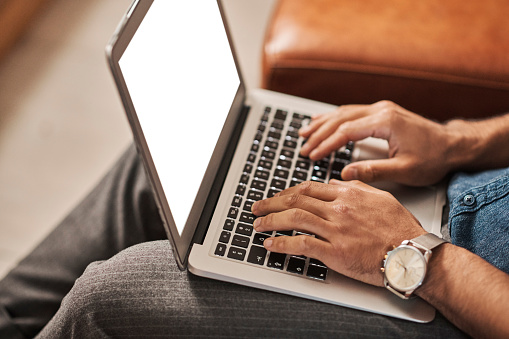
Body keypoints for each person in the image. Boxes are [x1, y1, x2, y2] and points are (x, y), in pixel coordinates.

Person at [0, 101, 507, 338]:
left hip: (455, 307)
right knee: (177, 161)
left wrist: (417, 258)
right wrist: (462, 141)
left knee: (110, 295)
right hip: (458, 193)